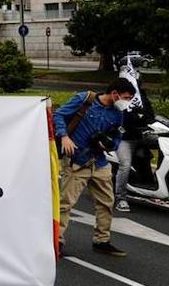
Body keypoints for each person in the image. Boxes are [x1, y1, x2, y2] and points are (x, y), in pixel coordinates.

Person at [53, 79, 136, 257]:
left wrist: (109, 144)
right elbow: (58, 115)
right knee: (65, 203)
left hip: (99, 162)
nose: (127, 102)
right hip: (77, 160)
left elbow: (116, 137)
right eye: (126, 98)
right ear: (115, 93)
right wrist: (64, 136)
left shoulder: (118, 113)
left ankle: (102, 240)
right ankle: (56, 241)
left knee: (107, 202)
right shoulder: (85, 99)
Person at [113, 80, 155, 212]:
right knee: (125, 165)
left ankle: (150, 188)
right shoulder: (117, 103)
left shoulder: (141, 99)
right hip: (124, 139)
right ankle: (121, 198)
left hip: (140, 137)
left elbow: (151, 116)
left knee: (146, 157)